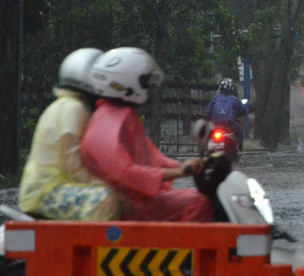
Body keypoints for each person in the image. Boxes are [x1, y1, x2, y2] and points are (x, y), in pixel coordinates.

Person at [80, 47, 212, 222]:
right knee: (196, 202)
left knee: (198, 197)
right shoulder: (107, 122)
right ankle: (185, 249)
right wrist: (178, 172)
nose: (149, 88)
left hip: (140, 198)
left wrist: (184, 166)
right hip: (131, 204)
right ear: (125, 83)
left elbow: (151, 157)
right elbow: (125, 172)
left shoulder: (124, 115)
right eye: (144, 82)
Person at [18, 48, 120, 220]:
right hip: (48, 192)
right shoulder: (73, 108)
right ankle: (95, 246)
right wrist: (106, 186)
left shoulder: (65, 106)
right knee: (107, 200)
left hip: (53, 188)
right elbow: (73, 164)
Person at [205, 77, 247, 150]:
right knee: (239, 129)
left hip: (216, 125)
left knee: (208, 133)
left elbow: (208, 112)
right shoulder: (234, 99)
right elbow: (243, 110)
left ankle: (206, 148)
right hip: (229, 125)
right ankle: (239, 149)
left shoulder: (214, 99)